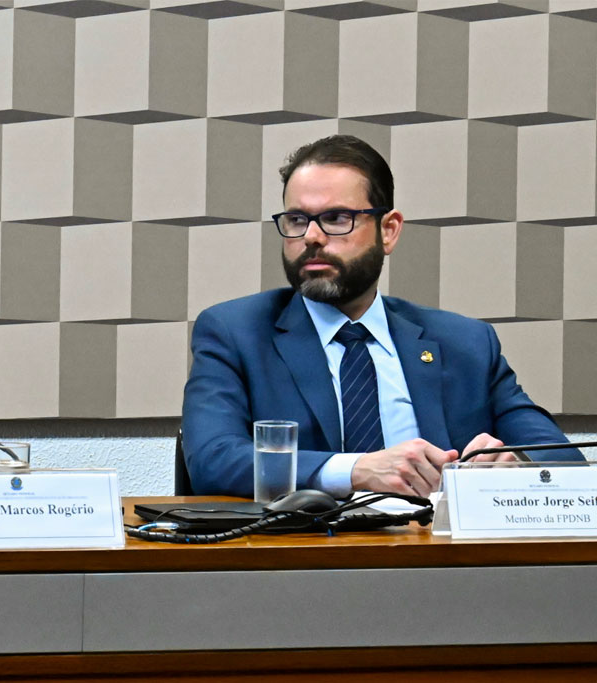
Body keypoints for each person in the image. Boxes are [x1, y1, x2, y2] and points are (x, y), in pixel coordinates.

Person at [182, 134, 583, 499]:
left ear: (388, 231)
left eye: (337, 218)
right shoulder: (235, 333)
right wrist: (356, 470)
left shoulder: (466, 343)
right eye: (297, 220)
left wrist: (518, 469)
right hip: (302, 564)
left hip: (441, 563)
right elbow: (213, 461)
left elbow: (562, 459)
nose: (312, 237)